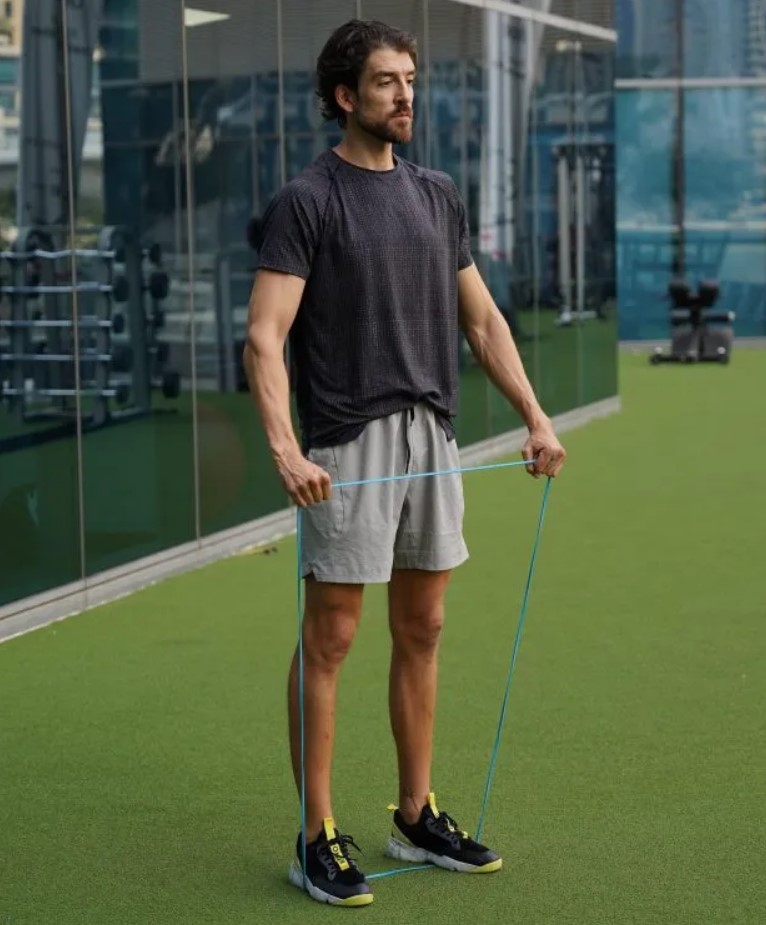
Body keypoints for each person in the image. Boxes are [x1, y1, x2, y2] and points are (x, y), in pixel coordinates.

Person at [243, 19, 567, 908]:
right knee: (333, 636)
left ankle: (415, 813)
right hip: (349, 441)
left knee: (422, 628)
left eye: (410, 80)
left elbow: (484, 322)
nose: (405, 95)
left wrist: (535, 416)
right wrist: (285, 446)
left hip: (434, 434)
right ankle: (315, 835)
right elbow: (264, 338)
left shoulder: (435, 194)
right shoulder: (308, 201)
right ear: (345, 97)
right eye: (386, 82)